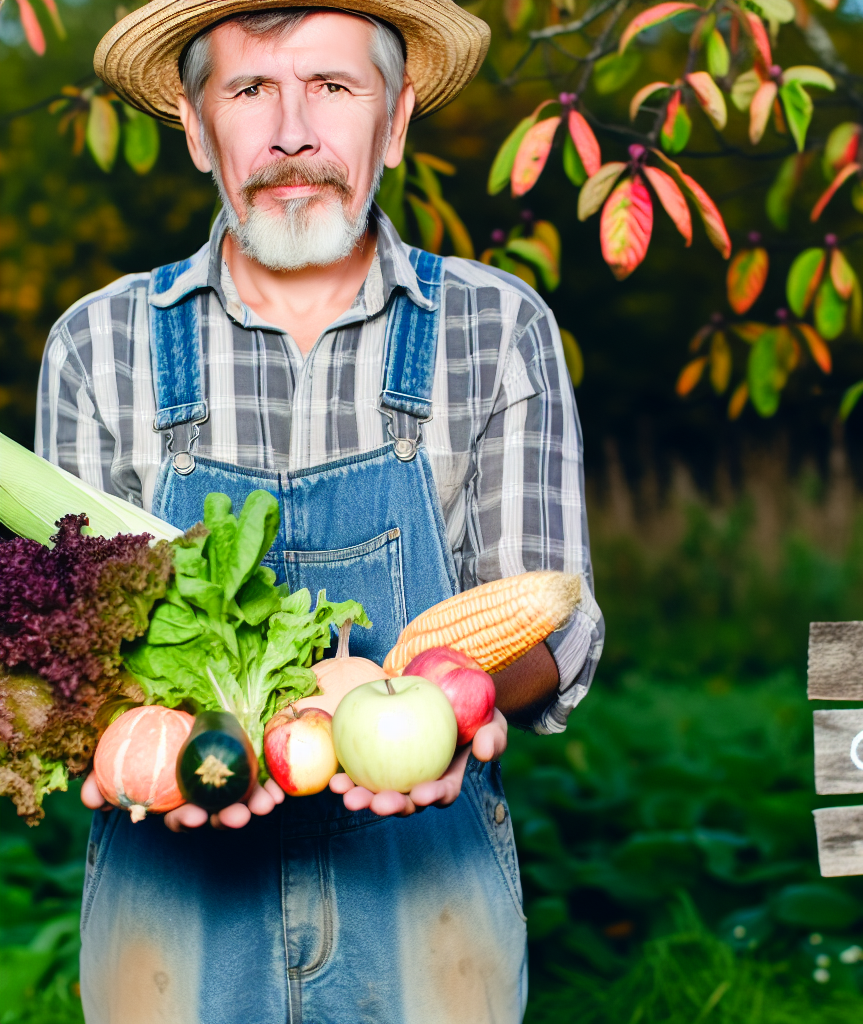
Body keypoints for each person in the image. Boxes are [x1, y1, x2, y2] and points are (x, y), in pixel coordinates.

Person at [36, 2, 603, 1021]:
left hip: (426, 892)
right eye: (250, 90)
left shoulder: (494, 327)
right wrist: (135, 741)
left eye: (333, 88)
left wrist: (443, 707)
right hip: (174, 899)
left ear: (393, 119)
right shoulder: (99, 345)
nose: (291, 131)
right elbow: (74, 647)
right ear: (199, 125)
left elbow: (551, 634)